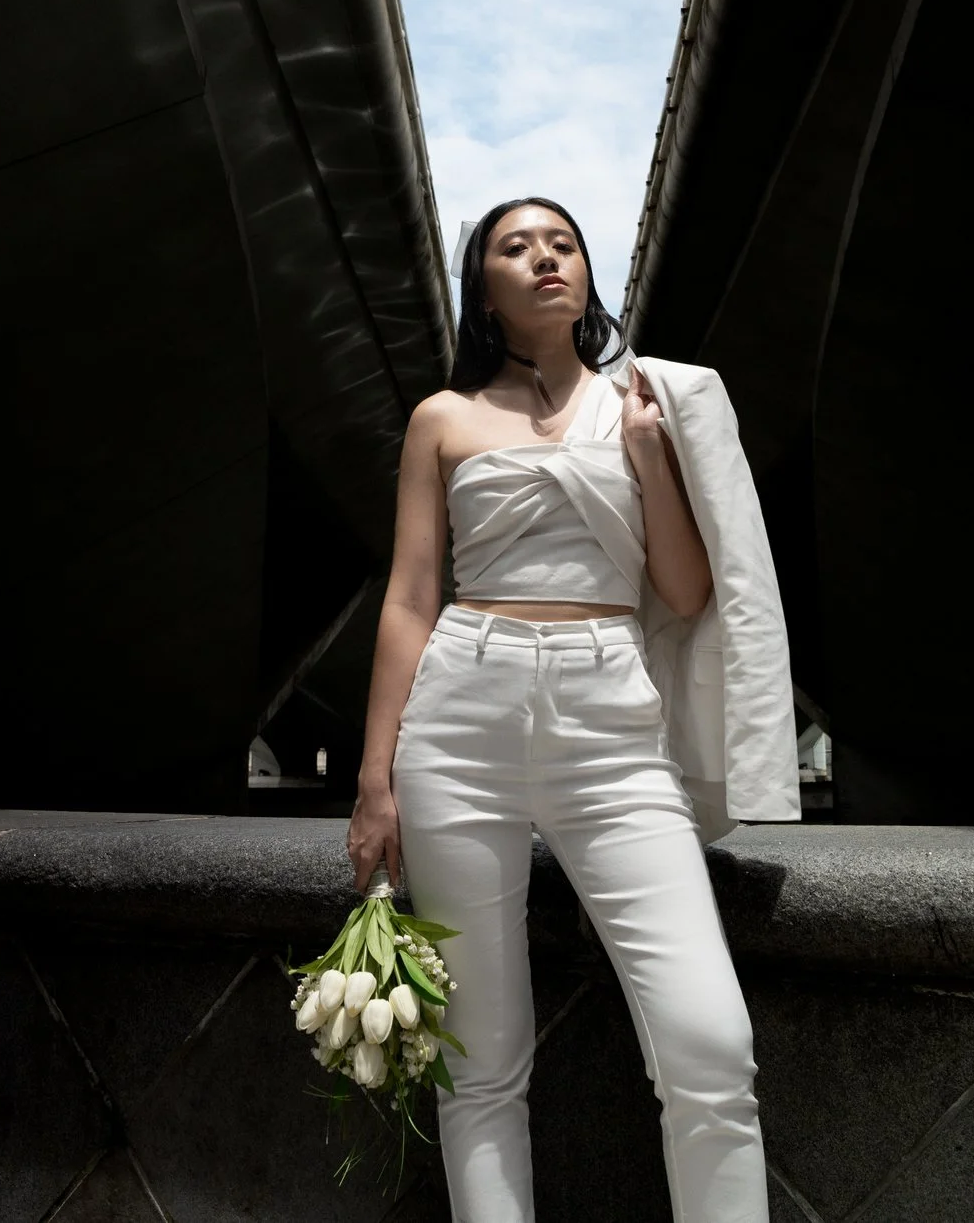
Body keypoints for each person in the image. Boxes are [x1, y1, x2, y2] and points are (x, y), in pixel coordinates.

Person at [348, 196, 785, 1221]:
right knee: (482, 1062)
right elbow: (411, 597)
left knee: (711, 1046)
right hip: (459, 719)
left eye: (564, 242)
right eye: (516, 246)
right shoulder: (443, 418)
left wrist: (643, 458)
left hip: (611, 729)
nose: (547, 257)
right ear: (483, 290)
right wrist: (375, 778)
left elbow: (682, 592)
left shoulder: (643, 403)